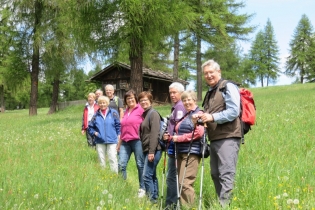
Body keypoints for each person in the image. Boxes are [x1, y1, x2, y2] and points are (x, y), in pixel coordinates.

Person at [192, 59, 242, 207]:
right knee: (215, 174)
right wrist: (200, 117)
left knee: (226, 174)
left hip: (228, 136)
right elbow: (210, 115)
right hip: (214, 138)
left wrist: (212, 117)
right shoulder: (210, 92)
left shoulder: (228, 86)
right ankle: (222, 204)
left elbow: (234, 111)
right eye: (206, 73)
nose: (208, 75)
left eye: (211, 72)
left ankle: (225, 206)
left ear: (218, 72)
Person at [164, 90, 204, 206]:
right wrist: (170, 137)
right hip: (181, 152)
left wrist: (179, 138)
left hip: (191, 152)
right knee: (181, 183)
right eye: (184, 100)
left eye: (189, 99)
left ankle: (189, 207)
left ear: (194, 100)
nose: (186, 102)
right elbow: (180, 134)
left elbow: (199, 133)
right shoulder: (186, 115)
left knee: (185, 183)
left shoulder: (199, 113)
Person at [117, 90, 146, 198]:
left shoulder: (141, 109)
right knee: (121, 164)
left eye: (132, 98)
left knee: (140, 164)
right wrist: (119, 144)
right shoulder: (126, 111)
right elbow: (122, 128)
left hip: (137, 140)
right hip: (125, 141)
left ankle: (142, 188)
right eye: (127, 98)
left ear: (135, 98)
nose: (130, 100)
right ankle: (122, 186)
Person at [163, 82, 187, 209]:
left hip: (177, 146)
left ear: (181, 93)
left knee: (172, 177)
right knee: (173, 176)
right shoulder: (176, 106)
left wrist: (171, 137)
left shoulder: (180, 107)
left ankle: (171, 205)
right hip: (172, 144)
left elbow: (180, 126)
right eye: (170, 92)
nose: (172, 95)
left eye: (174, 92)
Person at [138, 91, 162, 204]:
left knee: (146, 175)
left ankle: (151, 200)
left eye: (145, 100)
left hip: (153, 149)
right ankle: (155, 198)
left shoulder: (153, 114)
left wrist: (152, 151)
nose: (143, 102)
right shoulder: (145, 114)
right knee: (152, 175)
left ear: (150, 101)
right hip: (147, 149)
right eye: (141, 100)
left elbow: (154, 133)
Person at [88, 96, 121, 173]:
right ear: (98, 104)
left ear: (107, 103)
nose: (102, 104)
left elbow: (118, 125)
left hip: (112, 140)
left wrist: (119, 135)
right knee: (101, 159)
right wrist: (95, 133)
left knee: (112, 158)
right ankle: (103, 175)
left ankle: (114, 176)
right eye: (100, 103)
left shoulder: (113, 112)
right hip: (100, 140)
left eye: (104, 103)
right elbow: (90, 127)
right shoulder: (96, 115)